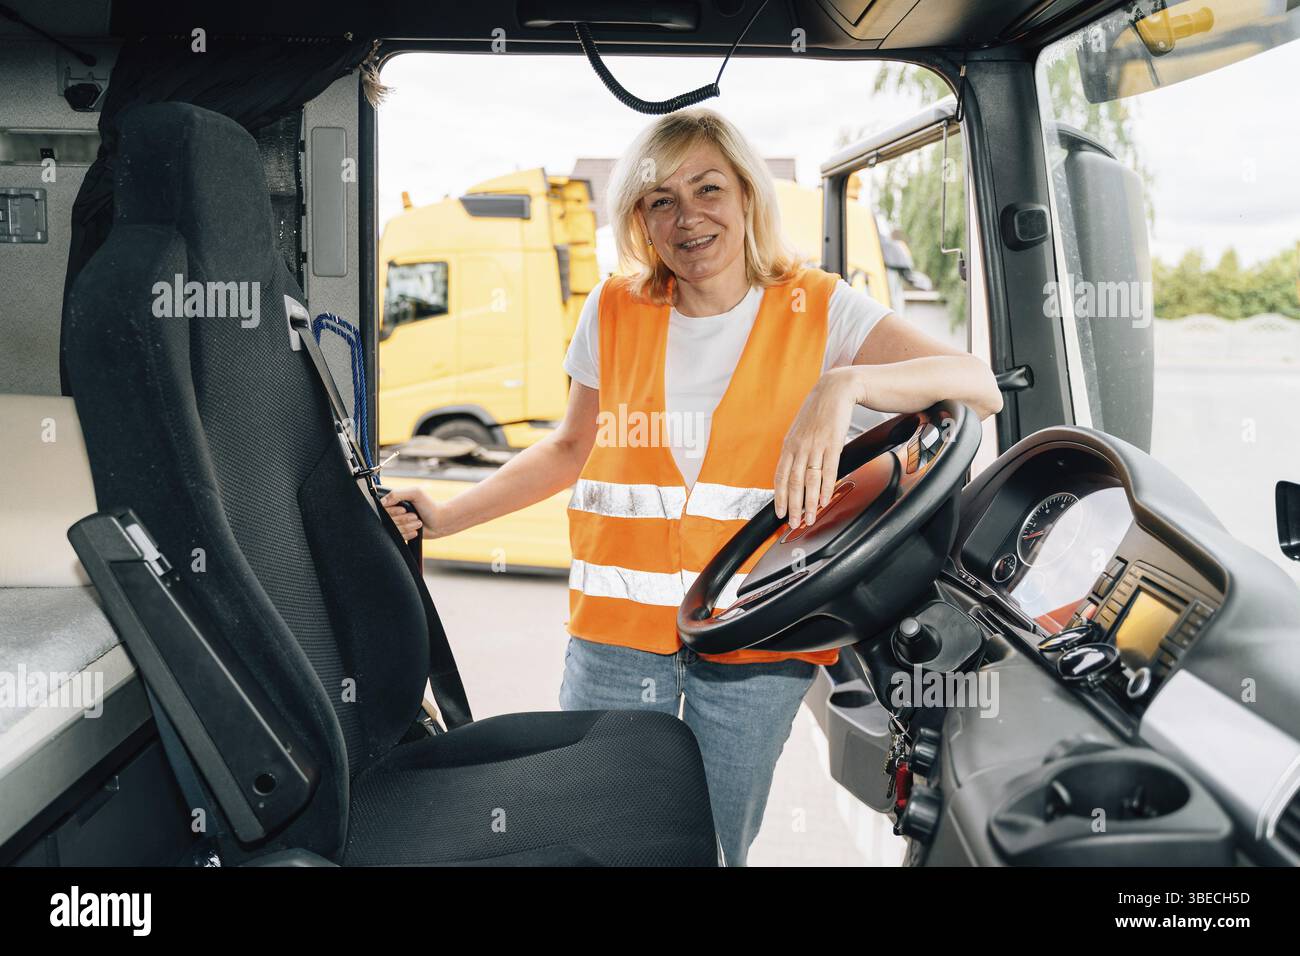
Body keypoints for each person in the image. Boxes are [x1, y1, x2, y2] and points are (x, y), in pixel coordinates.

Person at [384, 107, 1002, 865]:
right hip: (614, 644)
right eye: (659, 200)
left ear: (747, 195)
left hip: (755, 646)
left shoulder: (821, 307)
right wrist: (447, 515)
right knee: (596, 840)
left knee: (709, 848)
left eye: (708, 189)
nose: (687, 218)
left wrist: (843, 386)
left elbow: (977, 385)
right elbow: (568, 449)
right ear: (640, 221)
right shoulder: (613, 309)